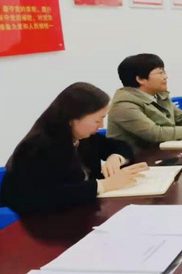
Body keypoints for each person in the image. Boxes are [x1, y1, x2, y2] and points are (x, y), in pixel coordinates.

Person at [0, 83, 148, 215]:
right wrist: (104, 185)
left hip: (81, 212)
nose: (101, 125)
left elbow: (120, 145)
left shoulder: (83, 137)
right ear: (72, 119)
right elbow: (43, 196)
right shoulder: (36, 147)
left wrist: (116, 157)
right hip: (39, 223)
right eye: (97, 120)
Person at [108, 54, 182, 152]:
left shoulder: (159, 95)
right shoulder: (124, 105)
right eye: (160, 73)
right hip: (136, 162)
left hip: (163, 153)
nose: (166, 77)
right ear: (140, 79)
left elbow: (181, 117)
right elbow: (155, 133)